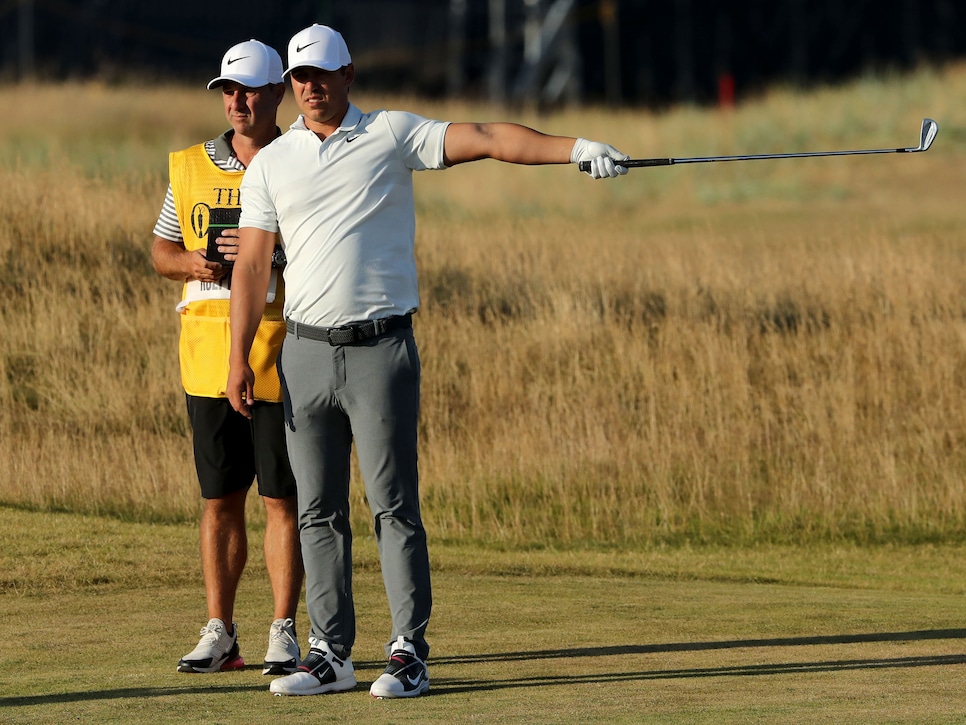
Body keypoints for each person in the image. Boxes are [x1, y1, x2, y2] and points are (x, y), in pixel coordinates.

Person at [226, 23, 627, 699]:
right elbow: (254, 266)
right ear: (289, 84)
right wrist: (239, 356)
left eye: (323, 74)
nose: (311, 86)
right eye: (300, 77)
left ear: (349, 74)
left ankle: (408, 650)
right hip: (304, 352)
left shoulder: (390, 133)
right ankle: (330, 652)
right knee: (317, 511)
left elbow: (492, 138)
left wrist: (576, 149)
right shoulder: (272, 162)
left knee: (393, 506)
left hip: (382, 349)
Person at [151, 39, 304, 676]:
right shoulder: (189, 166)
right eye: (227, 91)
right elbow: (161, 252)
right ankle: (220, 630)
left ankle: (284, 631)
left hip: (285, 352)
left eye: (247, 90)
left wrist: (272, 256)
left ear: (276, 93)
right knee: (219, 498)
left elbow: (328, 247)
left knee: (281, 499)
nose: (235, 102)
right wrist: (192, 261)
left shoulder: (304, 160)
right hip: (207, 357)